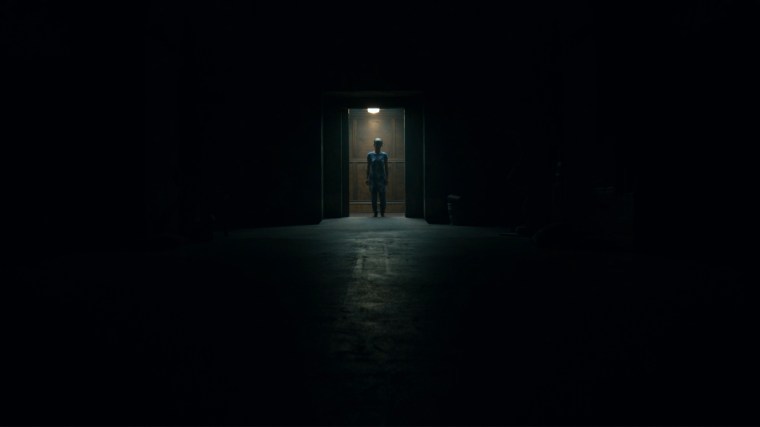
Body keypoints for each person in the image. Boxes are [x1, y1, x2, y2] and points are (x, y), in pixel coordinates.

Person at [365, 137, 389, 217]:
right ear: (374, 144)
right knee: (373, 197)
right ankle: (375, 212)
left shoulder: (384, 155)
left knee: (383, 196)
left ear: (381, 145)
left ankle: (382, 211)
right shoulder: (370, 155)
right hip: (373, 179)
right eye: (376, 143)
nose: (377, 145)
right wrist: (367, 178)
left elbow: (386, 167)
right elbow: (368, 167)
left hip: (381, 179)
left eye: (379, 143)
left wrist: (387, 178)